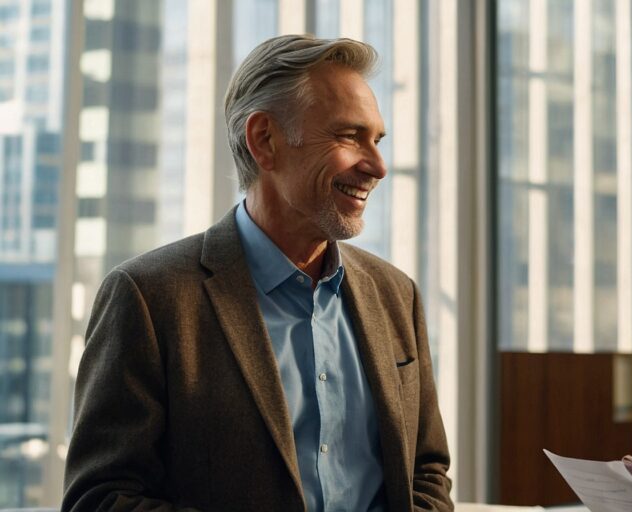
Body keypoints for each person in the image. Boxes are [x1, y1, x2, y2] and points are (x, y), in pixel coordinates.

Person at [62, 35, 452, 511]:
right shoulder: (148, 297)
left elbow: (426, 470)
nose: (377, 166)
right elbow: (100, 499)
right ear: (264, 140)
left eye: (376, 140)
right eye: (350, 136)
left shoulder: (396, 294)